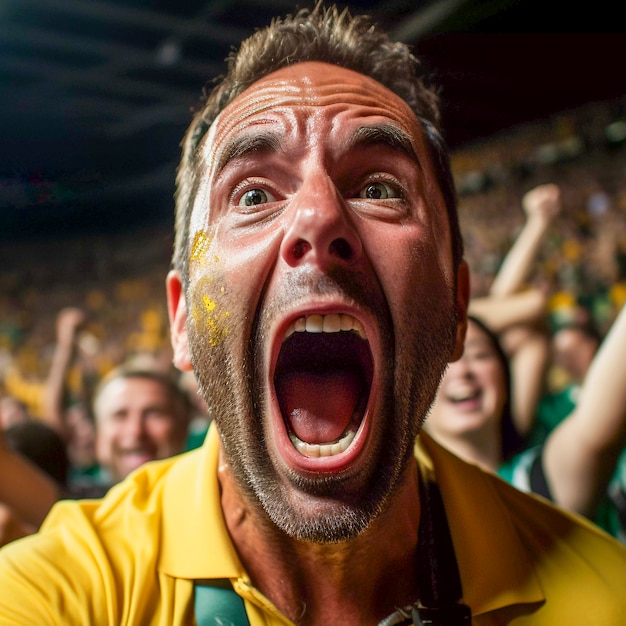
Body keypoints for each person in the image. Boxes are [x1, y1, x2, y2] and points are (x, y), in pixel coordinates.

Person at [0, 4, 625, 625]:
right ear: (183, 319)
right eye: (253, 194)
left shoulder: (606, 600)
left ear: (457, 306)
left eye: (378, 187)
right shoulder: (60, 591)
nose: (318, 217)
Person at [424, 304, 626, 543]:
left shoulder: (530, 483)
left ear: (505, 381)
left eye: (480, 355)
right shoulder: (415, 522)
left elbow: (595, 432)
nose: (462, 371)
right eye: (439, 361)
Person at [87, 363, 193, 488]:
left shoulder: (214, 499)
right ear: (98, 433)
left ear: (183, 426)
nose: (135, 431)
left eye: (153, 414)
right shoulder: (72, 504)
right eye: (120, 415)